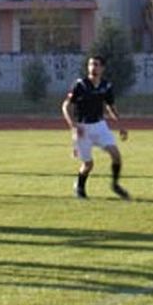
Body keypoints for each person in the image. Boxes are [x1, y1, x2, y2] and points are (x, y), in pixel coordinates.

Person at [62, 55, 130, 200]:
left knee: (116, 155)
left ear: (102, 68)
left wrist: (121, 125)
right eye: (91, 64)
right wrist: (73, 126)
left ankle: (115, 185)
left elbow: (111, 107)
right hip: (82, 128)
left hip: (100, 126)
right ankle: (79, 187)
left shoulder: (106, 86)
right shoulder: (80, 85)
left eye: (96, 65)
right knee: (88, 164)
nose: (93, 68)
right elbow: (65, 106)